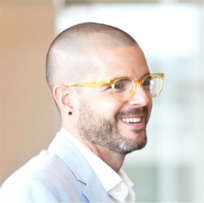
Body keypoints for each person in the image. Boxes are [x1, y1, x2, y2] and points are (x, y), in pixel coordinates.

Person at [0, 22, 164, 203]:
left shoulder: (115, 188)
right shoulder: (34, 192)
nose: (143, 99)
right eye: (118, 86)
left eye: (146, 82)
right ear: (67, 99)